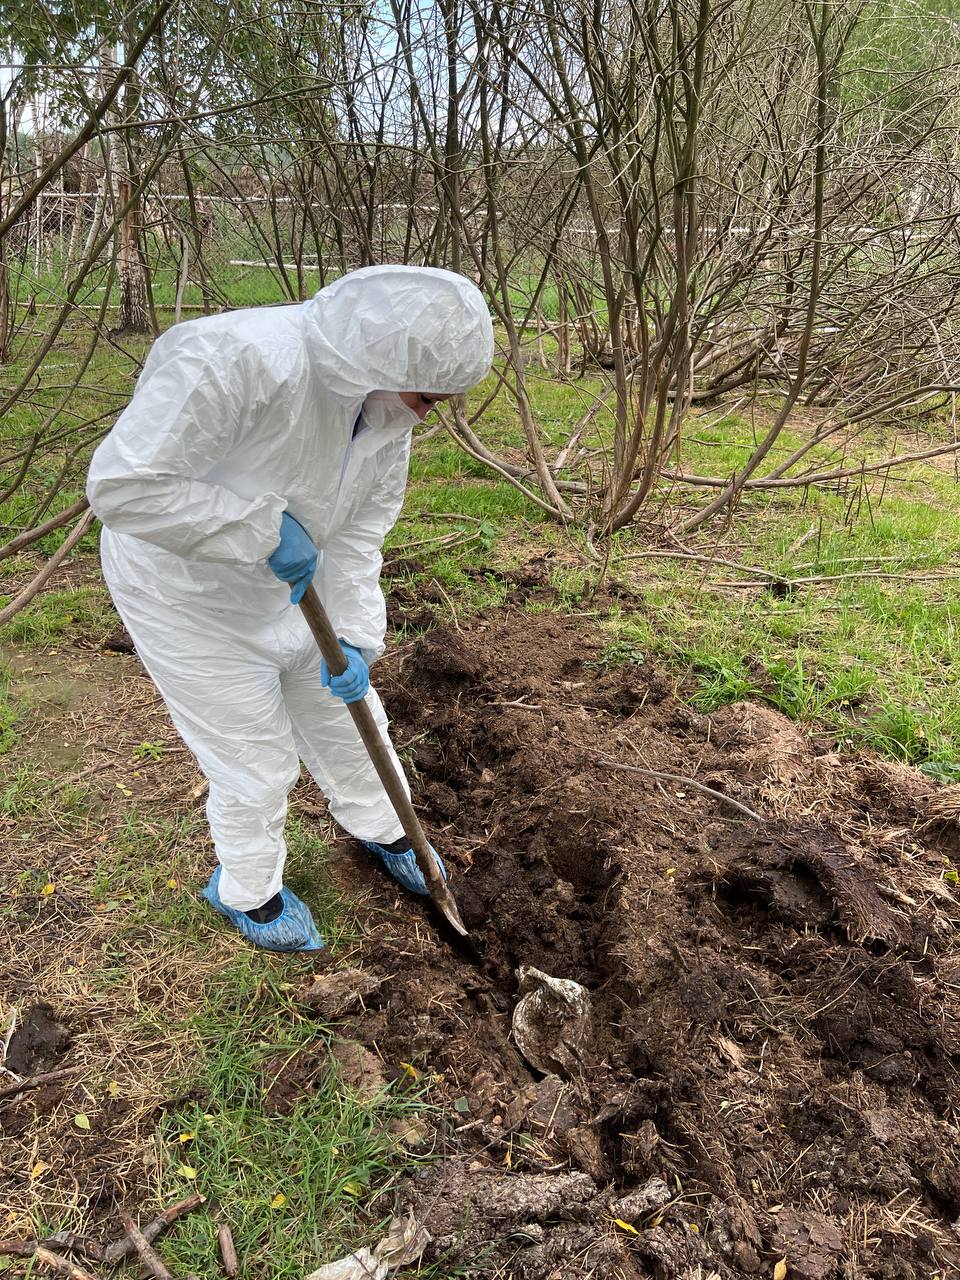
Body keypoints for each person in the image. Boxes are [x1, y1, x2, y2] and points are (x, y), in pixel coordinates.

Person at [86, 264, 494, 952]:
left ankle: (386, 828)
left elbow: (363, 529)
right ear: (381, 358)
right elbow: (124, 488)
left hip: (301, 591)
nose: (429, 413)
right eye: (428, 394)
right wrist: (262, 529)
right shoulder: (232, 360)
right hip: (189, 597)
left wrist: (359, 635)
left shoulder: (386, 412)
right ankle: (247, 889)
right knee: (254, 758)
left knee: (353, 717)